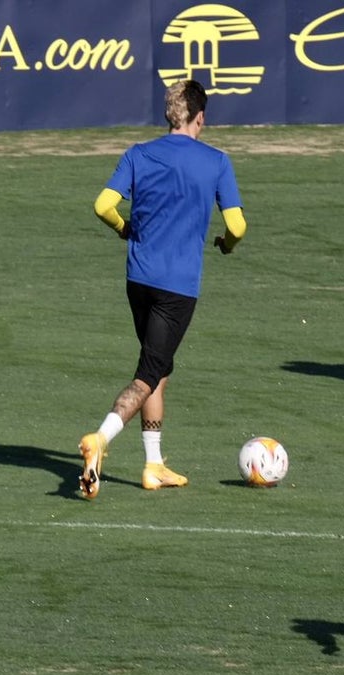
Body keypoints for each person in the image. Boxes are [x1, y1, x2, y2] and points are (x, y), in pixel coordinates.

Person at [78, 80, 246, 499]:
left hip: (139, 280)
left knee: (159, 369)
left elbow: (103, 205)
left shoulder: (138, 154)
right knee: (148, 373)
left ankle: (154, 464)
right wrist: (227, 245)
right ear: (201, 118)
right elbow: (238, 226)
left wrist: (125, 229)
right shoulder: (216, 161)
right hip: (177, 289)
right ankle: (99, 439)